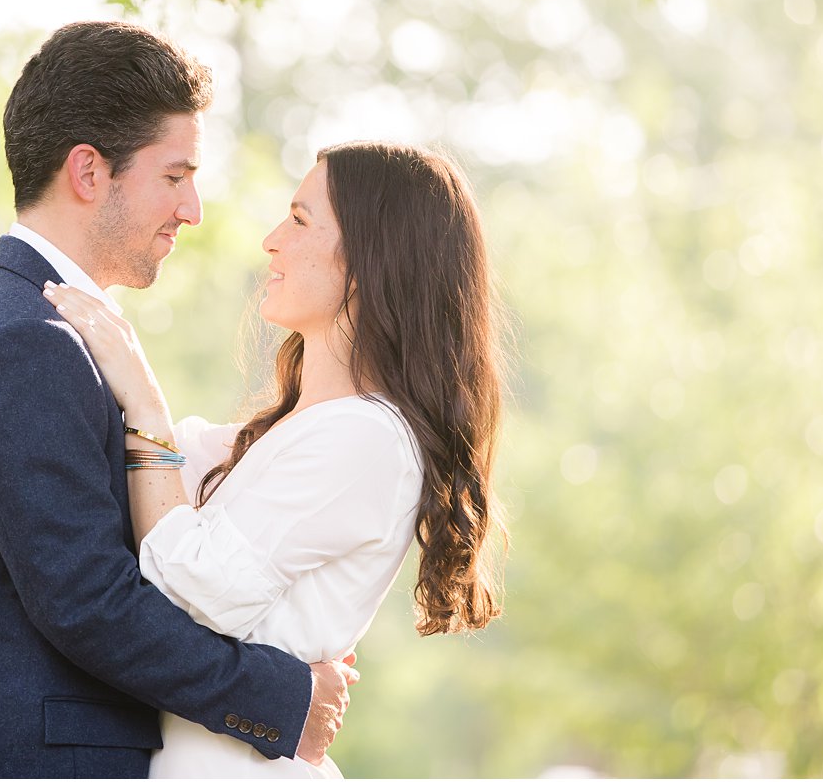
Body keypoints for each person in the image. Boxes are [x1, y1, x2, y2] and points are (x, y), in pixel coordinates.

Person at [0, 21, 356, 778]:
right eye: (174, 176)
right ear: (88, 172)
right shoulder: (26, 341)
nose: (193, 209)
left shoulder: (33, 323)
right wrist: (281, 697)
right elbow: (88, 602)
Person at [43, 140, 509, 778]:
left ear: (371, 259)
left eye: (299, 220)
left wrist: (145, 406)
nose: (271, 240)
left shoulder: (365, 440)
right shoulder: (298, 433)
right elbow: (157, 483)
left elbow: (192, 587)